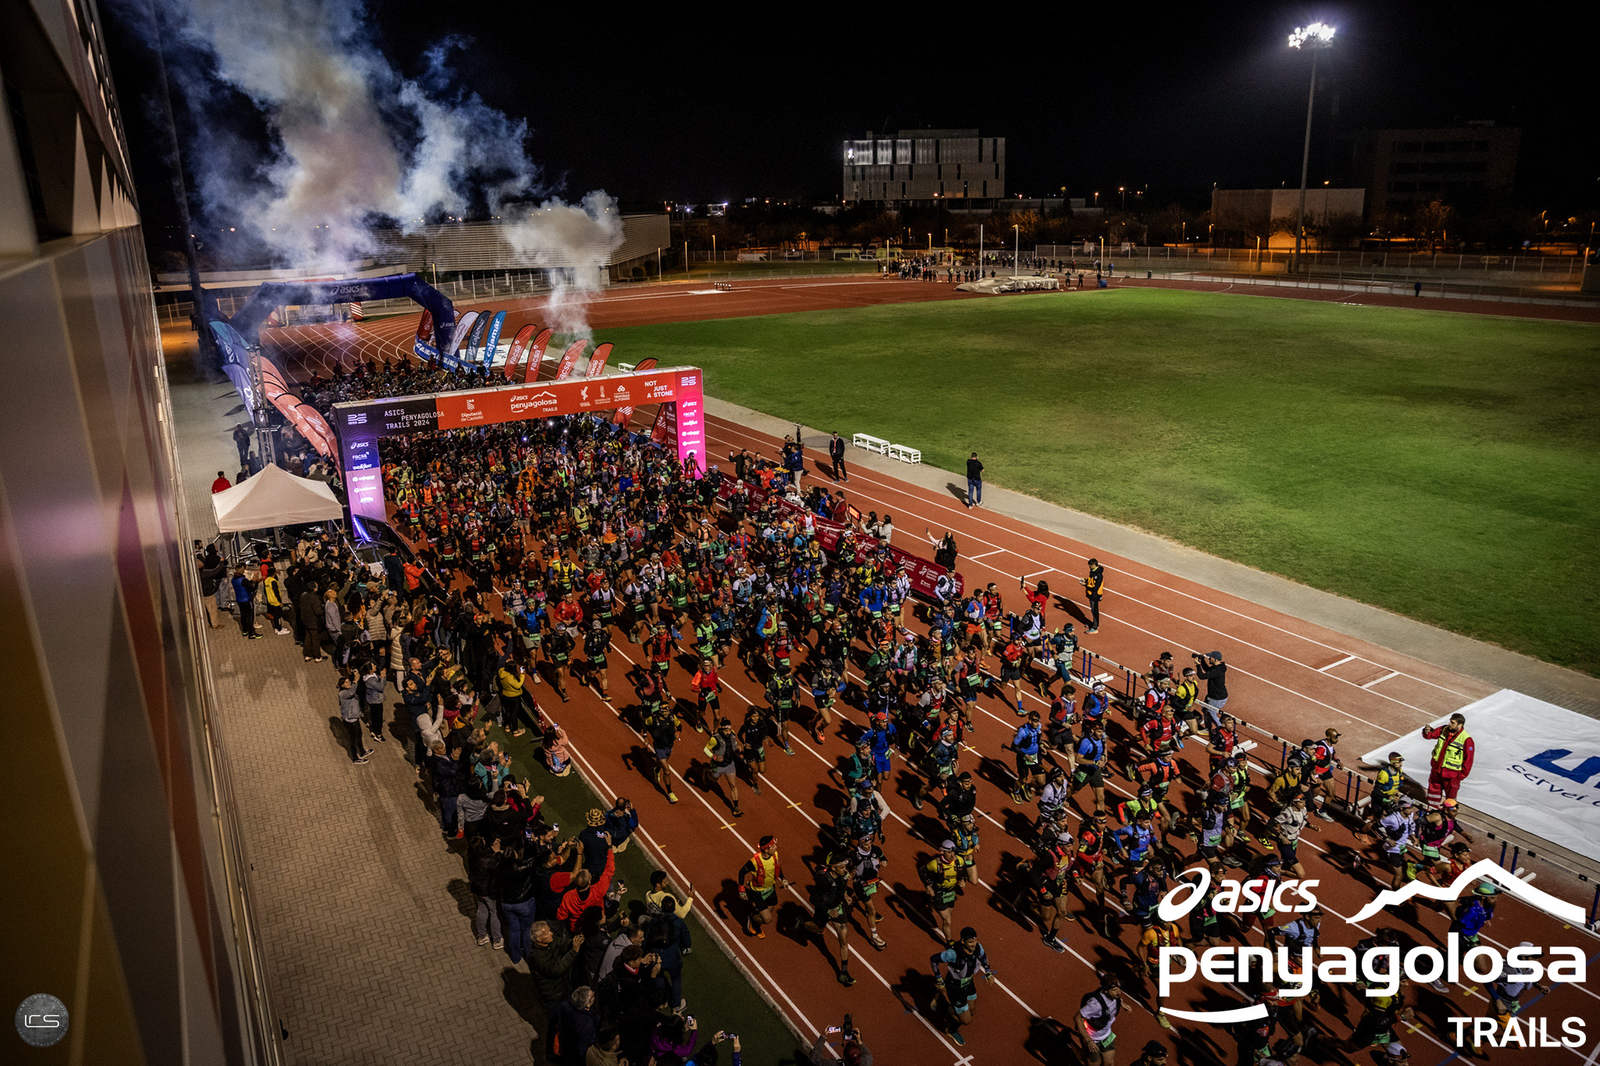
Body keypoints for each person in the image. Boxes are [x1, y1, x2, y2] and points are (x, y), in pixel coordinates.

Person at [930, 927, 993, 1046]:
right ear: (963, 941)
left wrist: (988, 973)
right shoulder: (953, 954)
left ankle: (944, 1000)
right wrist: (939, 980)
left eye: (975, 940)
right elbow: (933, 960)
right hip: (955, 987)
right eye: (970, 942)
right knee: (966, 1020)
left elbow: (984, 958)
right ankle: (950, 1029)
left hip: (968, 983)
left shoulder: (978, 947)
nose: (974, 944)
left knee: (972, 1011)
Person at [738, 835, 787, 939]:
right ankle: (752, 920)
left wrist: (783, 878)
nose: (776, 847)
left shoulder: (775, 855)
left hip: (770, 889)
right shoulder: (754, 862)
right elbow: (741, 872)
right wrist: (741, 890)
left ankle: (755, 915)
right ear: (766, 849)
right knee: (767, 919)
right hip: (757, 892)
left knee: (770, 909)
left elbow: (777, 867)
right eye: (773, 846)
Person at [1420, 713, 1474, 806]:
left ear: (1460, 725)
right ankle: (1432, 809)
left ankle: (1448, 813)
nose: (1449, 724)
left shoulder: (1467, 740)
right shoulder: (1443, 730)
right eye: (1450, 721)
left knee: (1450, 800)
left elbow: (1468, 760)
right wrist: (1426, 731)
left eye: (1452, 723)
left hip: (1452, 776)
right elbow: (1430, 735)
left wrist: (1460, 776)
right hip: (1436, 771)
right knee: (1433, 795)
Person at [1076, 970, 1124, 1065]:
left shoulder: (1115, 997)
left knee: (1109, 1063)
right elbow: (1078, 1018)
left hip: (1106, 1035)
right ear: (1106, 991)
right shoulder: (1095, 1004)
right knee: (1095, 1064)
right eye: (1115, 990)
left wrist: (1123, 1004)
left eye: (1119, 988)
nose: (1119, 992)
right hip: (1093, 1038)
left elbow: (1117, 999)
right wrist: (1089, 1041)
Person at [337, 669, 371, 764]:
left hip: (355, 718)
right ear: (342, 685)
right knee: (353, 740)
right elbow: (351, 692)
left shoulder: (350, 689)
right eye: (346, 682)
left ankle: (362, 751)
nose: (348, 683)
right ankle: (355, 758)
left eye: (349, 681)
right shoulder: (343, 694)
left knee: (359, 735)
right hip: (349, 720)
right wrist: (356, 680)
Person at [1082, 558, 1105, 634]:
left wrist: (1085, 585)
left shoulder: (1099, 575)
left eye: (1090, 565)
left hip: (1095, 595)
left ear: (1094, 565)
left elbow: (1096, 587)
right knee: (1093, 610)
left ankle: (1095, 627)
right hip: (1091, 594)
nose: (1089, 567)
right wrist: (1086, 581)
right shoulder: (1092, 571)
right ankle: (1094, 624)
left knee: (1095, 611)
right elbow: (1091, 581)